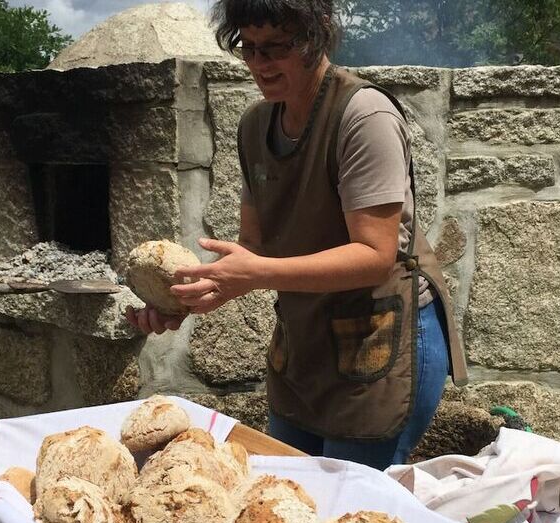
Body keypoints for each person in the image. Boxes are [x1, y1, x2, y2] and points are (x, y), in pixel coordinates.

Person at [125, 0, 468, 470]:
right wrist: (186, 296)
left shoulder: (363, 117)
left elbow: (375, 255)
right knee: (289, 488)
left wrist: (257, 273)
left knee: (352, 514)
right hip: (304, 341)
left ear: (315, 35)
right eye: (249, 48)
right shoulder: (254, 127)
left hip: (377, 339)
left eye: (276, 47)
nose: (261, 64)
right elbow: (255, 249)